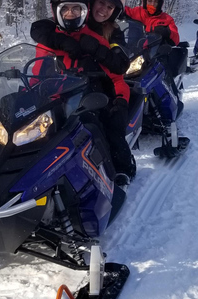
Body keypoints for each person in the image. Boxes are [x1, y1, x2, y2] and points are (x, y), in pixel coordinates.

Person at [30, 0, 136, 185]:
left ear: (83, 10)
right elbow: (36, 69)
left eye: (76, 9)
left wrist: (120, 101)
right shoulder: (50, 34)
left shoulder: (110, 34)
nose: (70, 13)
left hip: (93, 92)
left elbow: (118, 68)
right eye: (66, 9)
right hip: (53, 98)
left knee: (101, 125)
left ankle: (119, 169)